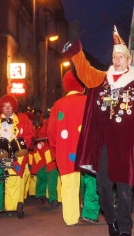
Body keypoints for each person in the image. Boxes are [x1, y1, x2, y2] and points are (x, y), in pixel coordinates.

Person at [62, 24, 134, 236]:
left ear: (128, 60)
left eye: (121, 57)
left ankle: (124, 227)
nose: (117, 60)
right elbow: (84, 71)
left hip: (127, 145)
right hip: (104, 144)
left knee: (124, 189)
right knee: (103, 186)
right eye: (114, 57)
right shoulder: (101, 79)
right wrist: (76, 48)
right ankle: (111, 219)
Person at [47, 69, 87, 226]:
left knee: (68, 184)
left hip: (65, 151)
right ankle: (89, 211)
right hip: (85, 150)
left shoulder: (58, 104)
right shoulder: (87, 101)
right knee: (89, 182)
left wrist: (55, 150)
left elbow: (51, 130)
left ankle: (70, 218)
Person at [0, 94, 34, 214]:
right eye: (5, 106)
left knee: (14, 181)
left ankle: (12, 208)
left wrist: (24, 143)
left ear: (13, 108)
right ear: (1, 108)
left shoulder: (22, 119)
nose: (7, 109)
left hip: (16, 155)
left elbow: (30, 134)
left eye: (9, 106)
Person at [33, 109, 59, 207]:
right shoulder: (42, 128)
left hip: (49, 153)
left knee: (49, 176)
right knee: (45, 175)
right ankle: (45, 197)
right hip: (42, 154)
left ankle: (49, 197)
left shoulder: (51, 125)